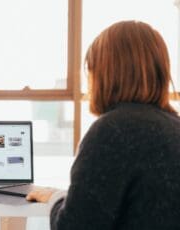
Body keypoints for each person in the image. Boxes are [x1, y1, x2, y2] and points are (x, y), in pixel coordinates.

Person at [27, 20, 180, 229]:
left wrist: (56, 199)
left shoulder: (113, 130)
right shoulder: (174, 127)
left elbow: (74, 226)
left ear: (103, 74)